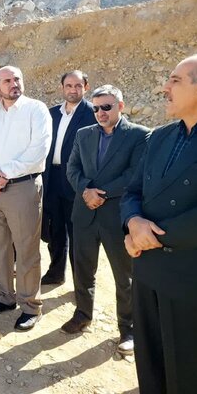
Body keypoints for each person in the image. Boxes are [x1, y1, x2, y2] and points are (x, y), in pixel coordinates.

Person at [121, 54, 197, 394]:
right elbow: (133, 190)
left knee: (190, 373)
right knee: (149, 362)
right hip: (147, 270)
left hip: (193, 278)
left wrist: (147, 238)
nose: (164, 87)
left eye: (175, 80)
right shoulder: (160, 136)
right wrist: (133, 222)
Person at [63, 85, 150, 356]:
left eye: (107, 107)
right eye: (96, 107)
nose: (100, 112)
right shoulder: (83, 134)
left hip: (116, 217)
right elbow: (72, 168)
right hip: (85, 213)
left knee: (124, 276)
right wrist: (86, 190)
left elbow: (136, 174)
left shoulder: (138, 135)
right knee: (83, 270)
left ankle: (128, 329)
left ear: (120, 106)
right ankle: (82, 314)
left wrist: (101, 193)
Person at [0, 66, 51, 331]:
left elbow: (38, 150)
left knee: (26, 249)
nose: (14, 83)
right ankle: (5, 296)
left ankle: (30, 306)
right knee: (0, 246)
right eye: (7, 80)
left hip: (22, 188)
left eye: (17, 78)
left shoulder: (36, 110)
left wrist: (3, 174)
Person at [41, 71, 96, 285]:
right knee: (55, 229)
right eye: (69, 85)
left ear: (85, 87)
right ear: (62, 87)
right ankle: (56, 272)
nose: (73, 90)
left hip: (76, 181)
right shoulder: (51, 113)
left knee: (77, 235)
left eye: (78, 86)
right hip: (51, 179)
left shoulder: (93, 113)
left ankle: (81, 283)